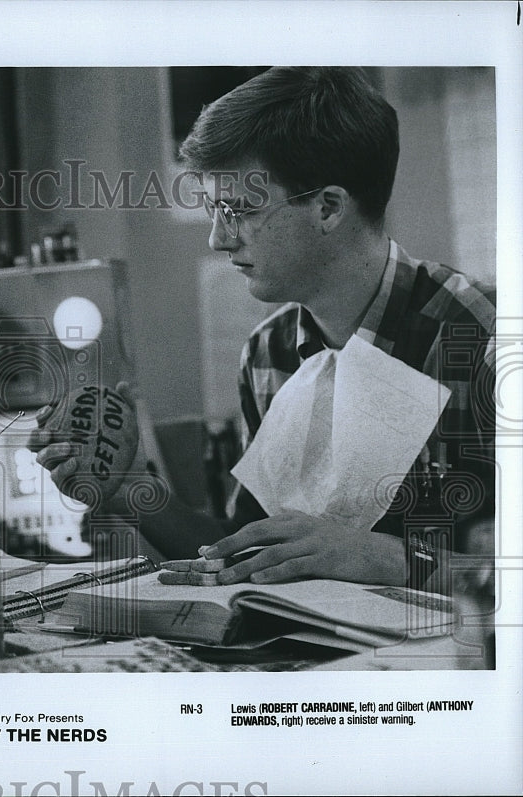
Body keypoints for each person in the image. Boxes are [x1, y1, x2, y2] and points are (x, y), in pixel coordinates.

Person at [30, 68, 495, 594]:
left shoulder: (481, 340)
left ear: (329, 207)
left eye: (240, 210)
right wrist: (134, 488)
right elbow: (249, 552)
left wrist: (393, 560)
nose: (216, 238)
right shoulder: (267, 355)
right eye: (213, 209)